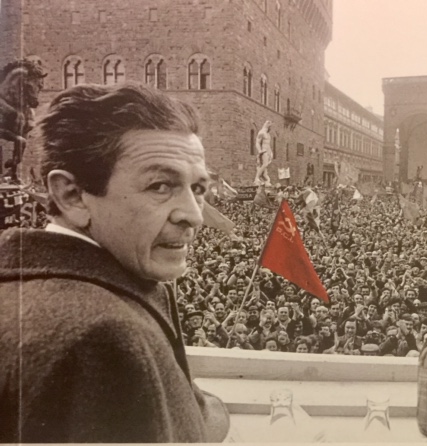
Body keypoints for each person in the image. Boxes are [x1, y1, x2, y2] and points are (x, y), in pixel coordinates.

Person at [0, 83, 229, 442]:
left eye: (198, 188)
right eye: (160, 186)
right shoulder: (104, 338)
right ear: (73, 196)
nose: (194, 216)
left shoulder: (30, 289)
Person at [253, 120, 273, 186]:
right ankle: (257, 177)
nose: (269, 127)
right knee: (265, 164)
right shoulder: (261, 132)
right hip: (263, 150)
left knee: (266, 166)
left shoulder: (268, 134)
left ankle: (265, 178)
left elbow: (269, 144)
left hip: (268, 151)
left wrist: (271, 152)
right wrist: (259, 150)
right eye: (268, 124)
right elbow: (257, 142)